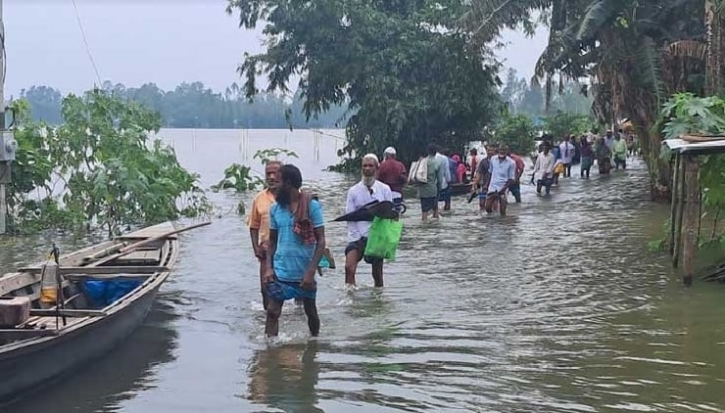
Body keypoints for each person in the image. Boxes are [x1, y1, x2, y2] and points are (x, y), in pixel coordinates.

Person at [263, 164, 326, 337]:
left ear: (289, 183)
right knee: (272, 312)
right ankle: (270, 351)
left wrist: (311, 271)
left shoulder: (312, 207)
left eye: (279, 181)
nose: (275, 185)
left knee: (310, 312)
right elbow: (272, 241)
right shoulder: (276, 209)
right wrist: (269, 267)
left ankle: (314, 345)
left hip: (304, 272)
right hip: (281, 271)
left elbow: (321, 241)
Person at [344, 154, 393, 287]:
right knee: (349, 268)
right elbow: (349, 216)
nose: (367, 168)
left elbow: (389, 216)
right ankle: (350, 298)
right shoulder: (353, 191)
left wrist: (384, 239)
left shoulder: (384, 190)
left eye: (370, 165)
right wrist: (356, 236)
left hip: (377, 237)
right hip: (357, 237)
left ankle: (378, 299)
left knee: (377, 274)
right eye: (364, 165)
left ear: (377, 168)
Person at [248, 161, 282, 310]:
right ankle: (267, 319)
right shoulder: (259, 198)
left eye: (275, 173)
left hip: (288, 249)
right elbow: (253, 226)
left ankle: (297, 317)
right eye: (268, 173)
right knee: (265, 288)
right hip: (267, 250)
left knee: (297, 288)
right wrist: (256, 248)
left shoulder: (294, 196)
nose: (272, 177)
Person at [483, 145, 516, 215]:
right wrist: (486, 185)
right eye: (501, 150)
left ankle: (502, 223)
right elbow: (490, 173)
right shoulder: (493, 159)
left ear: (507, 151)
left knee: (502, 211)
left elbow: (511, 179)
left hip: (503, 187)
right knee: (487, 208)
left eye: (504, 150)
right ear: (498, 150)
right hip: (493, 186)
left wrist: (503, 189)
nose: (502, 151)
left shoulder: (511, 163)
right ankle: (491, 221)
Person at [417, 144, 443, 222]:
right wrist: (439, 189)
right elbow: (440, 179)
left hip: (423, 189)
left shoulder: (422, 161)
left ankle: (424, 228)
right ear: (436, 152)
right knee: (435, 209)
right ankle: (435, 229)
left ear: (427, 151)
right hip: (433, 189)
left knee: (424, 210)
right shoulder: (438, 162)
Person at [377, 147, 407, 212]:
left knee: (386, 214)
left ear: (387, 155)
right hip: (397, 193)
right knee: (396, 214)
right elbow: (404, 179)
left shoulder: (382, 165)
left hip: (385, 195)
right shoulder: (400, 165)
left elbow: (378, 180)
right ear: (395, 156)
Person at [471, 144, 493, 211]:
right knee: (481, 204)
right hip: (484, 185)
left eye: (491, 150)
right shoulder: (483, 162)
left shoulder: (497, 161)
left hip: (495, 185)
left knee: (494, 205)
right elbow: (479, 174)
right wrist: (474, 184)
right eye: (488, 150)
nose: (490, 152)